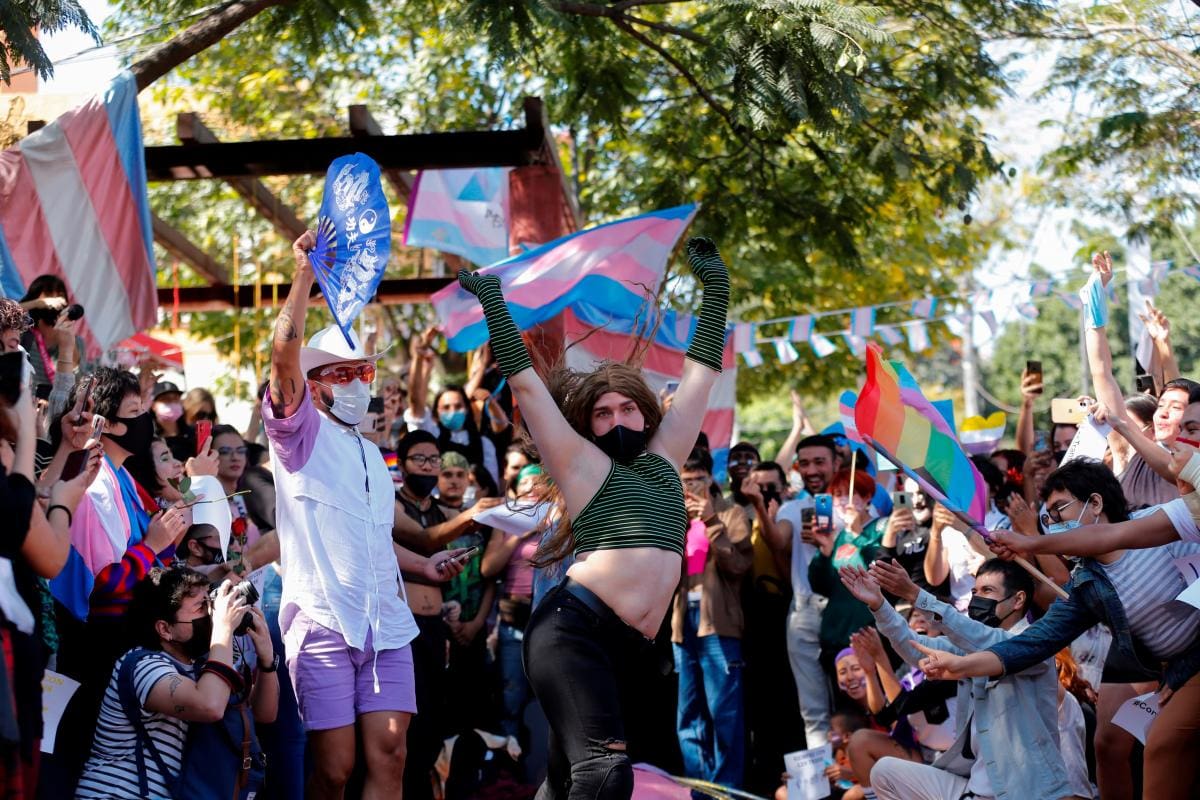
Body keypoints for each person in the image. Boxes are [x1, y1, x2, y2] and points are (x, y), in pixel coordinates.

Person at [455, 234, 729, 799]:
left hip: (628, 649)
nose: (618, 417)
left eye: (628, 407)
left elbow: (701, 375)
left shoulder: (664, 456)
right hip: (572, 630)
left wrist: (717, 292)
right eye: (603, 413)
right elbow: (528, 385)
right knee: (604, 776)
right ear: (589, 424)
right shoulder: (579, 465)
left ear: (647, 411)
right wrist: (493, 304)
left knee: (564, 782)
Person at [264, 230, 467, 799]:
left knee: (393, 754)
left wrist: (425, 568)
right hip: (323, 621)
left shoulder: (374, 456)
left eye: (364, 373)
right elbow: (282, 357)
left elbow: (373, 538)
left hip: (387, 624)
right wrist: (303, 275)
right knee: (334, 770)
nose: (358, 383)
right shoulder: (296, 435)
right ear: (313, 384)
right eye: (342, 373)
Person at [926, 458, 1200, 800]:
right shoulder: (1086, 584)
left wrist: (1029, 542)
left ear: (1096, 503)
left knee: (1161, 745)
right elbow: (1032, 644)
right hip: (1175, 671)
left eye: (1060, 510)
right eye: (1048, 518)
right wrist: (960, 666)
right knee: (1119, 744)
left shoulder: (1162, 523)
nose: (1054, 524)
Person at [839, 558, 1072, 800]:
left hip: (1026, 790)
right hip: (972, 787)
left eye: (987, 591)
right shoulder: (971, 646)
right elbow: (917, 649)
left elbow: (989, 642)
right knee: (884, 772)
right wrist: (879, 605)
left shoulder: (1033, 641)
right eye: (974, 592)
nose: (978, 599)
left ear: (1018, 600)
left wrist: (914, 593)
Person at [75, 568, 276, 799]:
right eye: (201, 607)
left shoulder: (200, 668)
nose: (211, 615)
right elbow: (209, 705)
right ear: (165, 629)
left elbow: (264, 714)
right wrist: (223, 627)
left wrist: (267, 661)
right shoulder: (142, 665)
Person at [673, 447, 752, 788]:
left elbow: (738, 567)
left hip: (718, 623)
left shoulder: (730, 513)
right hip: (681, 623)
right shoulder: (673, 516)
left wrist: (711, 522)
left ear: (711, 479)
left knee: (725, 714)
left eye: (698, 480)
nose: (691, 488)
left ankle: (726, 790)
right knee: (688, 716)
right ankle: (699, 787)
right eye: (685, 482)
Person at [770, 433, 838, 748]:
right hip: (804, 610)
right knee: (813, 709)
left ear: (836, 463)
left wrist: (836, 540)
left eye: (819, 462)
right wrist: (761, 509)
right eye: (805, 463)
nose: (811, 470)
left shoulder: (855, 504)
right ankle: (823, 789)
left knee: (853, 697)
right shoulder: (792, 509)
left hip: (847, 609)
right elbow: (779, 542)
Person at [809, 468, 885, 678]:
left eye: (849, 493)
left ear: (867, 496)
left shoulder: (883, 528)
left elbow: (879, 572)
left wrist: (859, 535)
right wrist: (824, 552)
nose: (842, 501)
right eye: (837, 495)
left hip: (869, 632)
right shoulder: (838, 536)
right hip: (835, 634)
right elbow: (820, 586)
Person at [406, 328, 502, 485]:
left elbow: (492, 487)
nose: (453, 411)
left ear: (467, 409)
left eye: (458, 406)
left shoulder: (484, 444)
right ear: (436, 413)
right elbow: (416, 401)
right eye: (446, 407)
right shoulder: (431, 434)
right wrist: (418, 357)